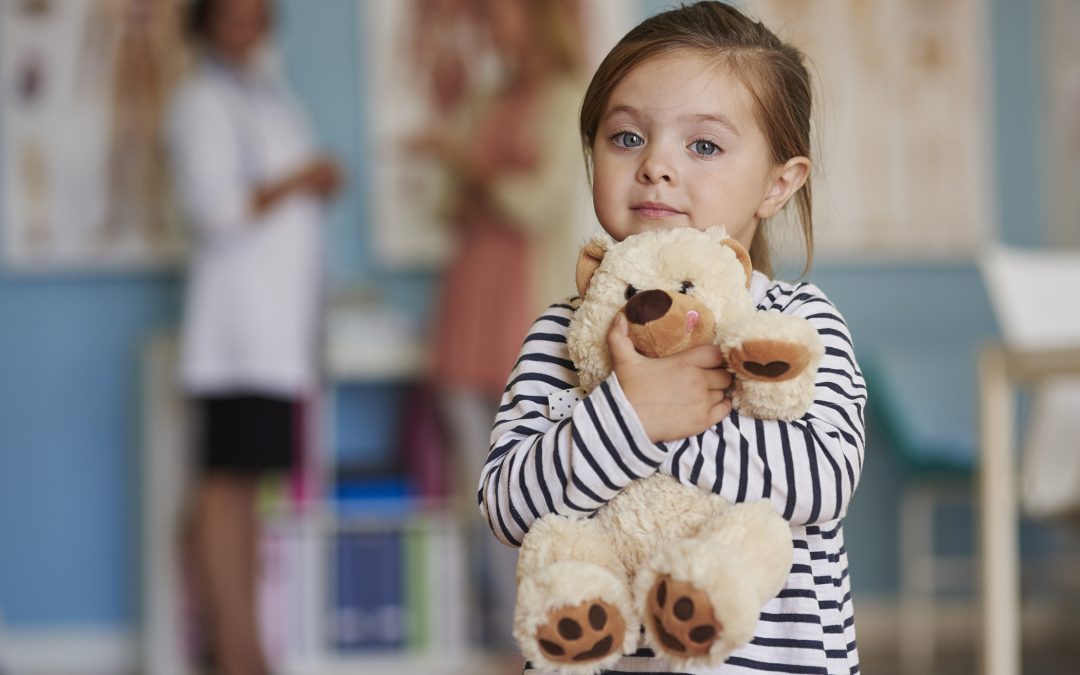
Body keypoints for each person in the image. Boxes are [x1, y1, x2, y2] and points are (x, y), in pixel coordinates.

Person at [478, 2, 867, 674]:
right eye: (626, 137)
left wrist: (676, 419)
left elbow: (823, 480)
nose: (656, 165)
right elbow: (509, 506)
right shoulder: (561, 335)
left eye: (704, 145)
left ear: (779, 183)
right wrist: (627, 415)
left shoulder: (795, 324)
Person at [409, 0, 592, 651]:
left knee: (536, 485)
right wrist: (467, 176)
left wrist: (469, 168)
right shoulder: (485, 99)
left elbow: (536, 203)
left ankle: (541, 638)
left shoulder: (570, 98)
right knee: (474, 488)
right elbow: (443, 205)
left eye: (502, 14)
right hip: (465, 309)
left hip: (524, 314)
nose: (492, 27)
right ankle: (492, 639)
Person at [165, 1, 341, 674]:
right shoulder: (200, 103)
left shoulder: (268, 95)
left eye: (256, 15)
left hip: (275, 331)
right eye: (233, 16)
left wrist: (306, 182)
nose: (248, 28)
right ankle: (236, 652)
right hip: (237, 333)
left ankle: (245, 647)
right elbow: (216, 209)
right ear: (205, 24)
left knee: (246, 489)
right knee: (223, 485)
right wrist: (304, 177)